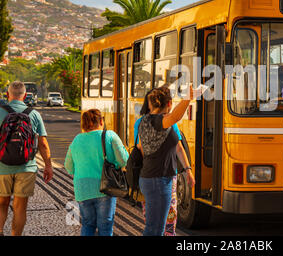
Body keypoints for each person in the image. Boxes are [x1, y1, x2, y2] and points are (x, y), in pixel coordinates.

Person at [134, 89, 195, 236]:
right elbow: (175, 116)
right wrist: (187, 99)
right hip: (159, 179)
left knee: (157, 227)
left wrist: (188, 169)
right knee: (155, 228)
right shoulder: (159, 121)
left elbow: (141, 148)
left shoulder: (144, 121)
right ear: (168, 103)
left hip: (151, 178)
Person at [64, 109, 129, 236]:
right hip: (105, 189)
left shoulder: (76, 139)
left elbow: (69, 167)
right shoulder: (110, 136)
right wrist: (115, 164)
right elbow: (124, 160)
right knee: (105, 227)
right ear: (100, 121)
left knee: (88, 225)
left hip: (82, 190)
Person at [0, 81, 53, 236]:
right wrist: (48, 166)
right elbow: (43, 143)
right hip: (26, 167)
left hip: (2, 167)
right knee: (20, 207)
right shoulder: (34, 114)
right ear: (24, 96)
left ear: (8, 95)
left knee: (2, 203)